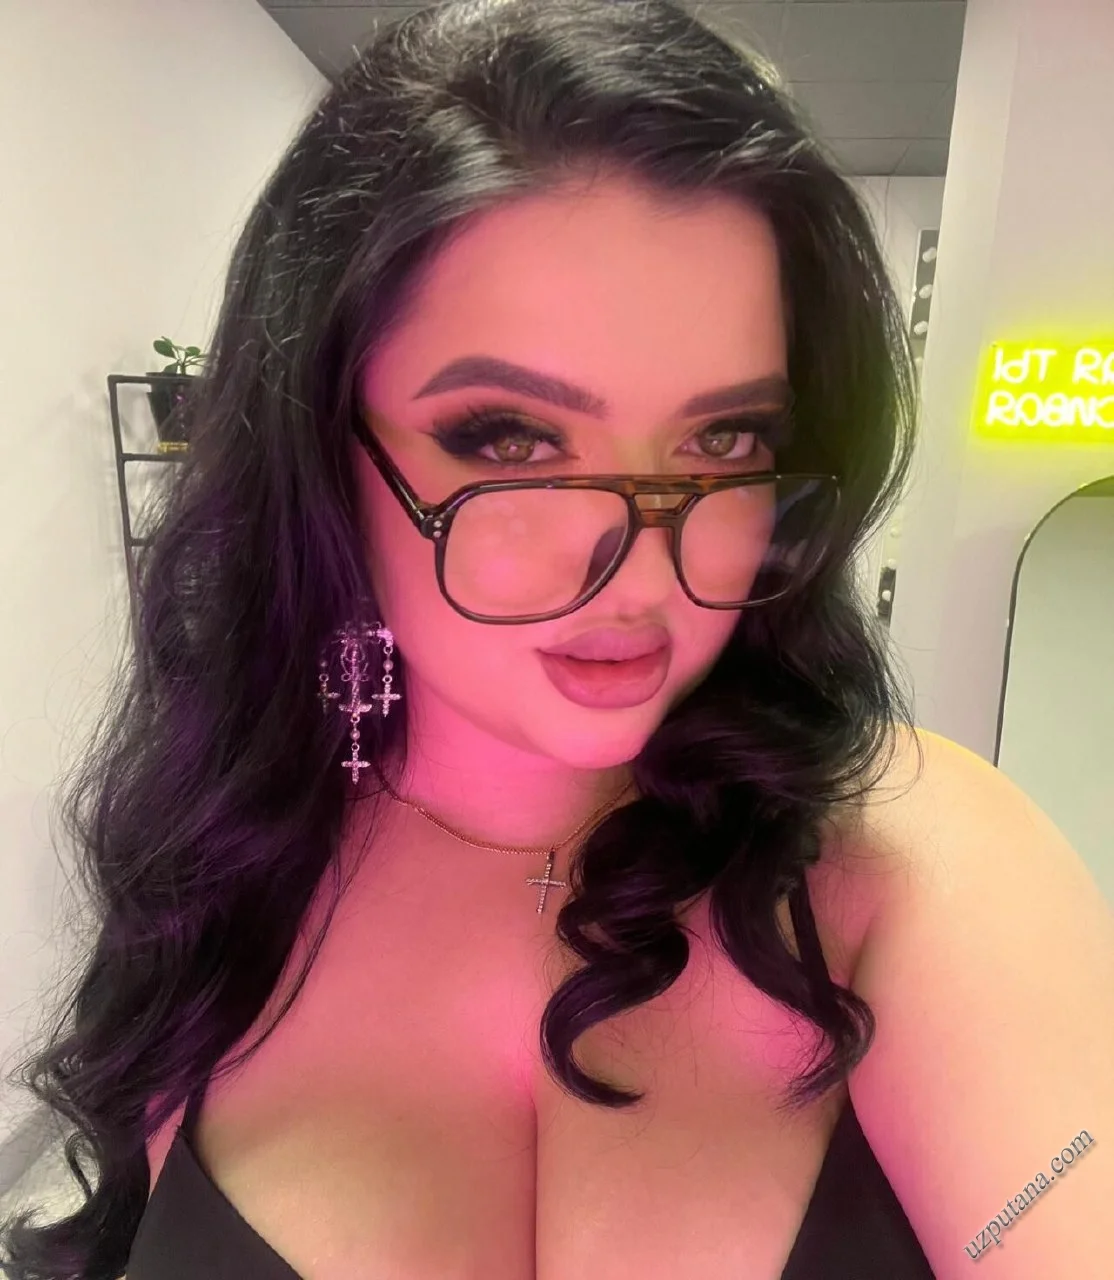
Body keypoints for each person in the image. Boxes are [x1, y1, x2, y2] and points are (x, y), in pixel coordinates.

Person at [3, 1, 1111, 1278]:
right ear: (317, 446)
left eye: (723, 440)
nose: (637, 567)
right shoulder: (235, 861)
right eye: (511, 439)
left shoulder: (914, 866)